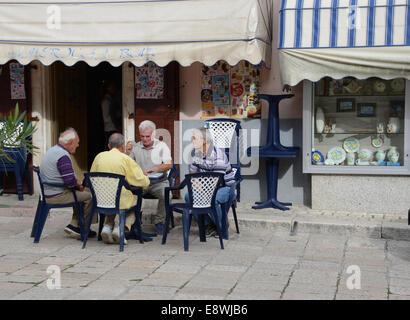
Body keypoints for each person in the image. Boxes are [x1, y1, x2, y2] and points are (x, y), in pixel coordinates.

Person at [90, 133, 150, 244]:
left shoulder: (99, 157)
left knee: (113, 198)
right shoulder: (125, 159)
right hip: (119, 201)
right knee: (139, 202)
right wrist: (146, 179)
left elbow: (92, 177)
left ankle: (107, 227)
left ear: (109, 146)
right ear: (122, 146)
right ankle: (121, 228)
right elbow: (140, 180)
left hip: (101, 200)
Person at [40, 128, 96, 240]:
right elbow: (70, 182)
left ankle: (74, 224)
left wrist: (77, 184)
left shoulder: (53, 150)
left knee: (83, 192)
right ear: (70, 143)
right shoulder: (63, 156)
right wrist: (79, 185)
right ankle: (83, 228)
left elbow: (68, 178)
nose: (78, 145)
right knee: (91, 196)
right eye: (77, 143)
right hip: (57, 195)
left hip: (49, 191)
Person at [188, 127, 235, 237]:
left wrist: (203, 190)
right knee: (189, 197)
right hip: (206, 187)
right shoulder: (196, 154)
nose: (192, 140)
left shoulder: (218, 156)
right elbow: (192, 175)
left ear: (204, 140)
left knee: (212, 198)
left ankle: (222, 226)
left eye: (194, 138)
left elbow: (217, 182)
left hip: (225, 188)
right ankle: (210, 225)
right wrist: (197, 184)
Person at [128, 120, 173, 234]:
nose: (145, 139)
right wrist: (127, 152)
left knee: (166, 194)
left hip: (159, 182)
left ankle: (160, 222)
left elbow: (169, 164)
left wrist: (155, 168)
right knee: (129, 194)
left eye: (148, 136)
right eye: (142, 136)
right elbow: (127, 165)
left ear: (153, 135)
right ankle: (136, 223)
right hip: (141, 182)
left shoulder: (162, 146)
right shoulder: (135, 147)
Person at [101, 81, 121, 149]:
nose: (114, 89)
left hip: (111, 127)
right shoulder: (106, 101)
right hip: (110, 127)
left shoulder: (110, 100)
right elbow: (107, 116)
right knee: (110, 146)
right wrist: (116, 125)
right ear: (108, 88)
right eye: (112, 87)